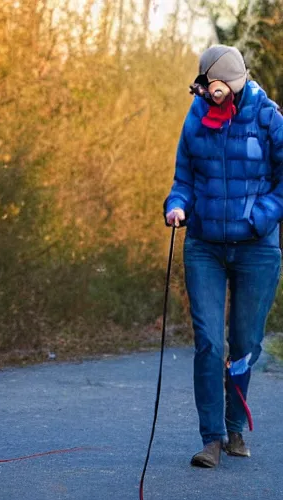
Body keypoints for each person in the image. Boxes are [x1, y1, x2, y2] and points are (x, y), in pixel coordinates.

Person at [164, 44, 283, 468]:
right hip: (205, 246)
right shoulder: (195, 118)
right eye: (208, 88)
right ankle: (211, 438)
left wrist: (259, 218)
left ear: (234, 83)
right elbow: (184, 178)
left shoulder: (268, 116)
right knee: (210, 342)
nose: (213, 97)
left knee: (245, 343)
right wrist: (176, 205)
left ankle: (236, 427)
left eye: (219, 89)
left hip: (258, 248)